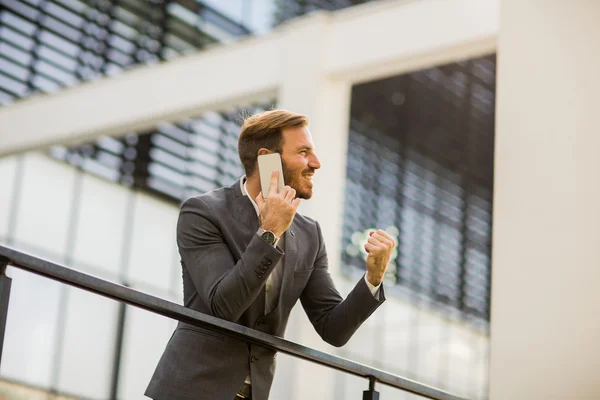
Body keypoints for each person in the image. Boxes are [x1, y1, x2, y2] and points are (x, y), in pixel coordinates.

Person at [145, 109, 396, 400]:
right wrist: (269, 233)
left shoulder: (309, 234)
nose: (316, 163)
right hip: (191, 389)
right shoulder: (203, 212)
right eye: (304, 152)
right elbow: (224, 305)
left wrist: (373, 278)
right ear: (268, 159)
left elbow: (333, 329)